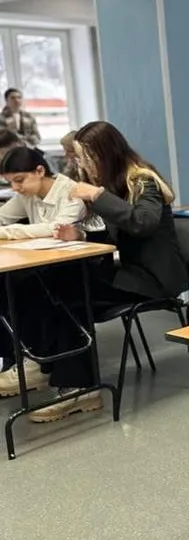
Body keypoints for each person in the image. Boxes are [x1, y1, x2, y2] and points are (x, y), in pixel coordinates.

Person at [43, 121, 189, 422]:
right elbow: (119, 233)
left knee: (72, 295)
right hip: (131, 271)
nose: (83, 164)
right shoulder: (115, 181)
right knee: (57, 285)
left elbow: (142, 223)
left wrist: (97, 195)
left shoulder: (143, 180)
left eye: (87, 157)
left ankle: (79, 386)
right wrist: (81, 236)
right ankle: (50, 366)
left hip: (153, 279)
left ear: (105, 153)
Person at [0, 147, 87, 397]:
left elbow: (55, 229)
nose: (15, 188)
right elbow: (3, 216)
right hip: (43, 266)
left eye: (19, 180)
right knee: (6, 288)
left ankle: (38, 359)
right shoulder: (28, 194)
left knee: (24, 291)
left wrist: (8, 232)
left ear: (40, 171)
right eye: (10, 182)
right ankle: (21, 356)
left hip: (74, 270)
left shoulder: (70, 191)